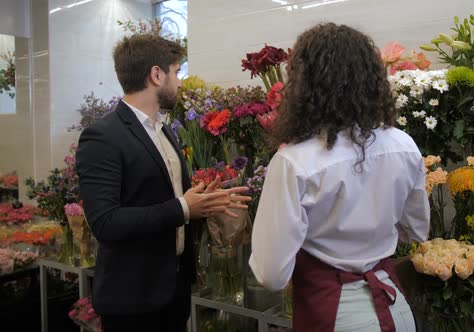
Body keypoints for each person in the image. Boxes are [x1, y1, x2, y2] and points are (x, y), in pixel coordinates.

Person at [249, 23, 430, 332]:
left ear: (304, 85)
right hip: (395, 307)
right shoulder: (404, 145)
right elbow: (417, 230)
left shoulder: (294, 162)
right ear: (372, 78)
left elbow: (271, 274)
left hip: (333, 313)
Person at [76, 34, 250, 332]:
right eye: (176, 72)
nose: (179, 82)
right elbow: (105, 221)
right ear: (156, 75)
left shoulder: (165, 131)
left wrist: (202, 201)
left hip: (173, 292)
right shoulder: (102, 136)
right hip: (133, 298)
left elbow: (164, 197)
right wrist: (183, 207)